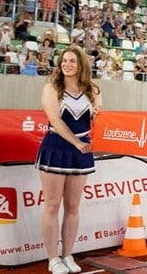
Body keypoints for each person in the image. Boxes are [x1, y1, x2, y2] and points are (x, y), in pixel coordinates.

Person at [35, 46, 101, 274]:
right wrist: (76, 142)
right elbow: (55, 120)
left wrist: (100, 119)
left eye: (72, 61)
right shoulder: (52, 87)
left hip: (81, 149)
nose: (67, 64)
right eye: (64, 60)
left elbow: (97, 120)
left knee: (73, 206)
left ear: (81, 64)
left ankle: (67, 255)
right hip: (57, 146)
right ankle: (53, 259)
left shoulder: (92, 89)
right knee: (52, 205)